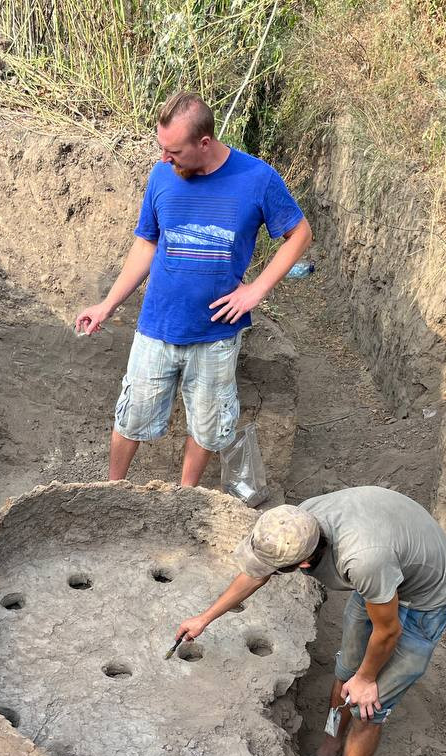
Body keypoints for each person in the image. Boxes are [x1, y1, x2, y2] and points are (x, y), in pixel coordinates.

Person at [174, 488, 446, 756]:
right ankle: (329, 746)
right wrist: (206, 617)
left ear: (305, 564)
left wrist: (368, 678)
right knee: (344, 677)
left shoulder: (362, 562)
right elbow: (259, 572)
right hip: (385, 575)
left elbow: (388, 630)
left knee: (369, 706)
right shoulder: (299, 521)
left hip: (422, 602)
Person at [74, 91, 312, 486]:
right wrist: (107, 305)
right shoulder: (161, 175)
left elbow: (299, 233)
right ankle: (111, 490)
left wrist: (256, 291)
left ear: (204, 143)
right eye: (161, 148)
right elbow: (146, 244)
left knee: (206, 425)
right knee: (131, 416)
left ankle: (186, 499)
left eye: (174, 151)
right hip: (157, 327)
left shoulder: (256, 179)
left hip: (215, 335)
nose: (165, 159)